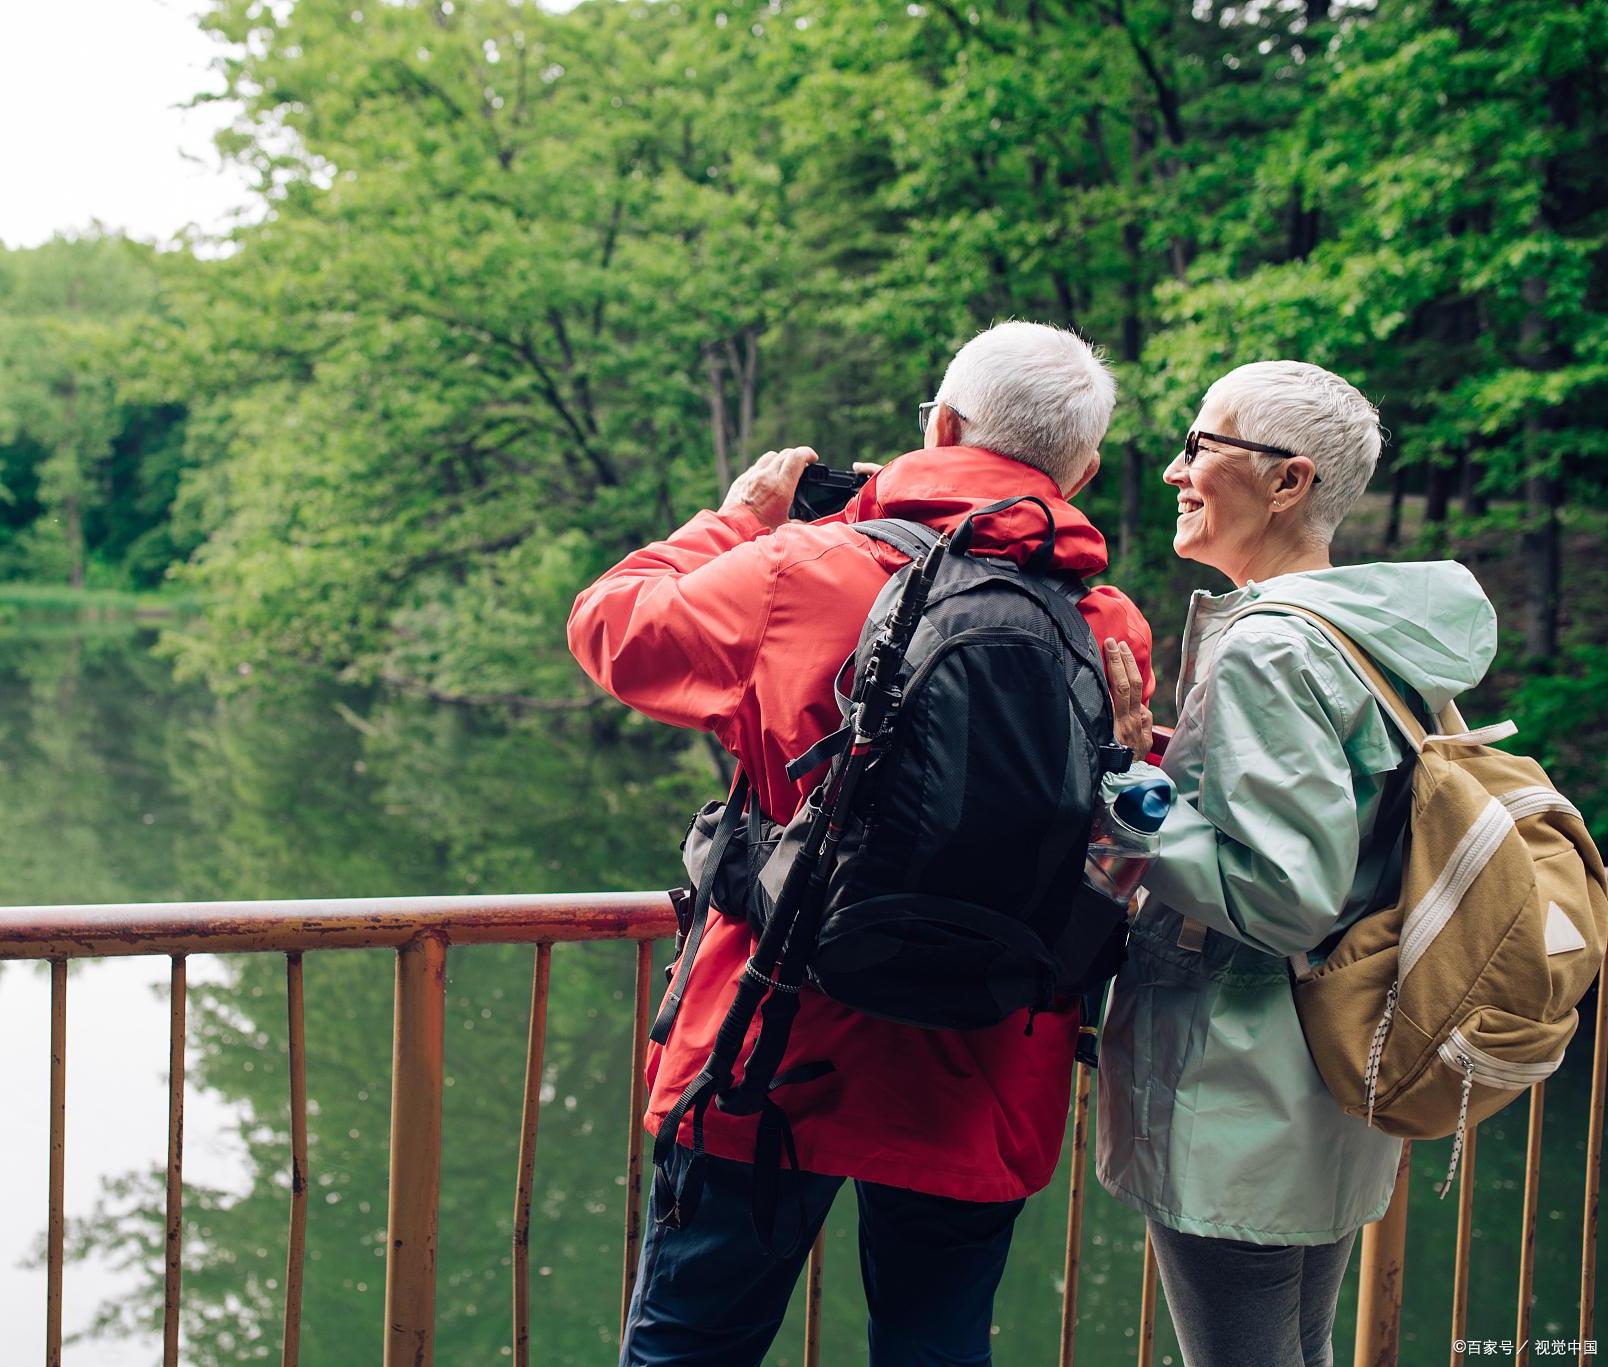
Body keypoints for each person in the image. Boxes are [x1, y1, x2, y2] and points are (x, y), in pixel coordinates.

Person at [568, 320, 1156, 1366]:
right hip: (981, 1063)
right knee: (933, 1346)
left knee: (688, 1347)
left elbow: (612, 627)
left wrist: (740, 517)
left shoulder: (799, 567)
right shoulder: (1107, 621)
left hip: (770, 1045)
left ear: (940, 422)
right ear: (1084, 467)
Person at [1096, 361, 1497, 1366]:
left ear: (1288, 482)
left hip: (1240, 1086)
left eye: (1202, 447)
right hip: (1329, 1069)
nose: (1175, 471)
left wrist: (1116, 785)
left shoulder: (1267, 647)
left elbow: (1281, 891)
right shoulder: (1365, 636)